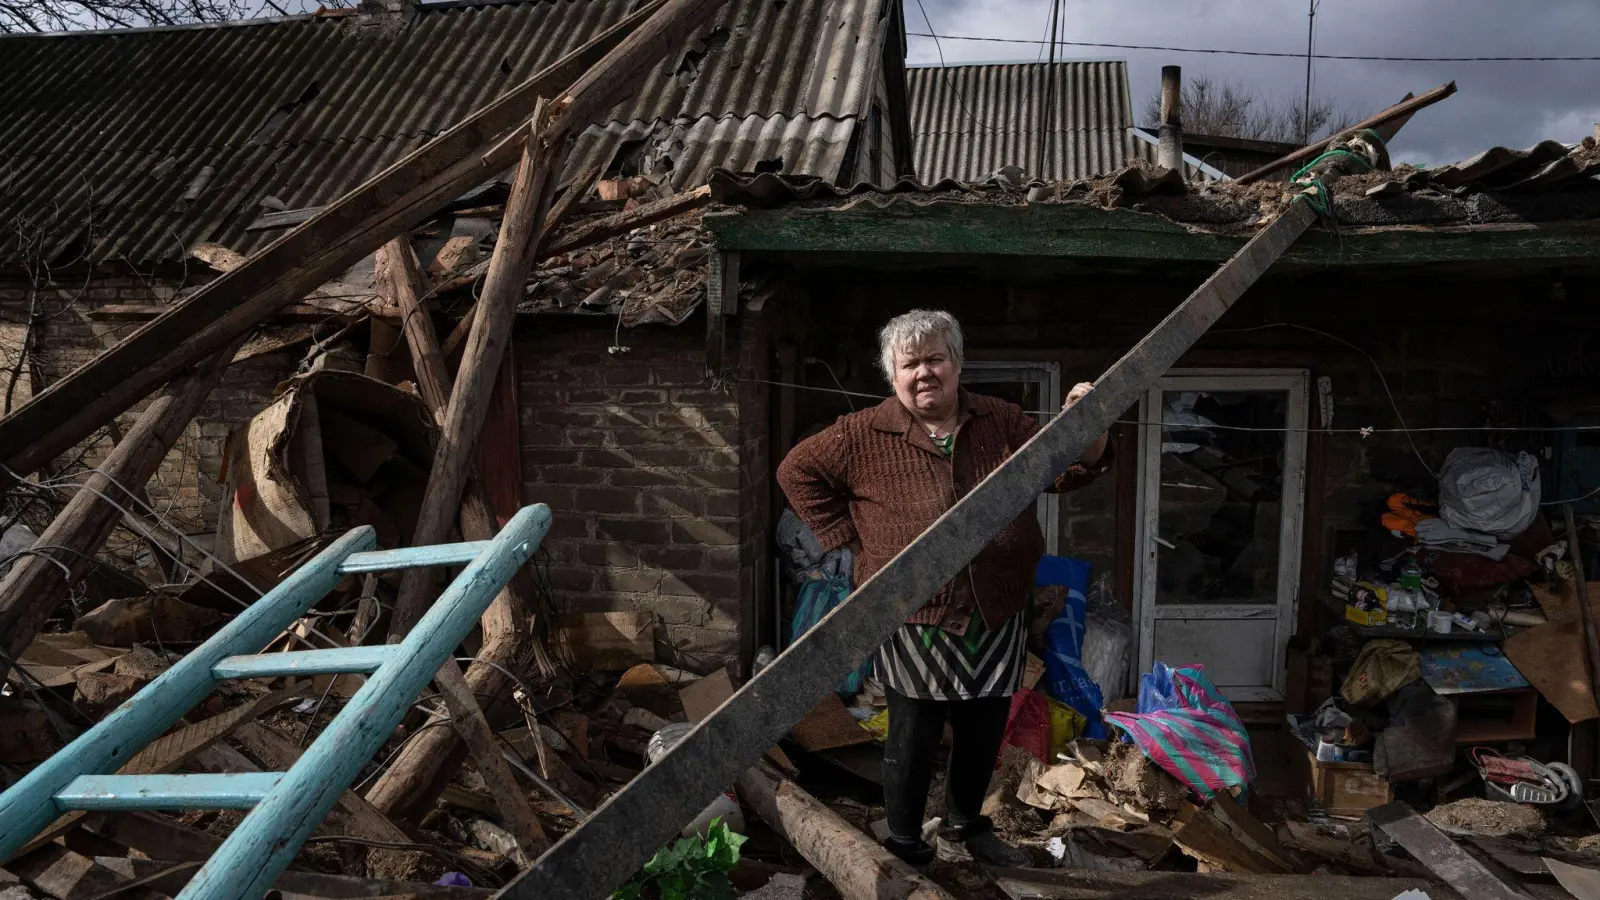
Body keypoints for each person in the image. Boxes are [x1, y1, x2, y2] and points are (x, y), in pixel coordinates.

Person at [776, 309, 1112, 867]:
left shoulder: (999, 420)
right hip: (914, 610)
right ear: (893, 374)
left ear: (957, 364)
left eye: (935, 358)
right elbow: (795, 471)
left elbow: (1065, 470)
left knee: (983, 726)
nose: (924, 372)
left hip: (996, 605)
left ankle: (966, 826)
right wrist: (853, 543)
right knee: (914, 730)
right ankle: (905, 842)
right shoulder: (863, 433)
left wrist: (1091, 429)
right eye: (911, 363)